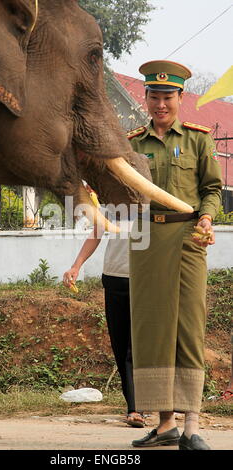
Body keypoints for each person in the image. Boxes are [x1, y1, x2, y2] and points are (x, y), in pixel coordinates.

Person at [127, 60, 223, 450]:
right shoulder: (132, 143)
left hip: (188, 238)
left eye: (168, 97)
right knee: (152, 328)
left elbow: (213, 188)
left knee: (188, 324)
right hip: (147, 239)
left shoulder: (200, 139)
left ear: (181, 98)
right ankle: (165, 424)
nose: (161, 104)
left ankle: (191, 426)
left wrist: (207, 218)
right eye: (155, 96)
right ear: (146, 98)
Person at [63, 219, 145, 428]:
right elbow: (97, 232)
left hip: (146, 280)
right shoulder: (111, 200)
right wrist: (76, 265)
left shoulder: (152, 201)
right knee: (120, 346)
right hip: (114, 279)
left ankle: (138, 408)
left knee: (135, 348)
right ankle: (135, 407)